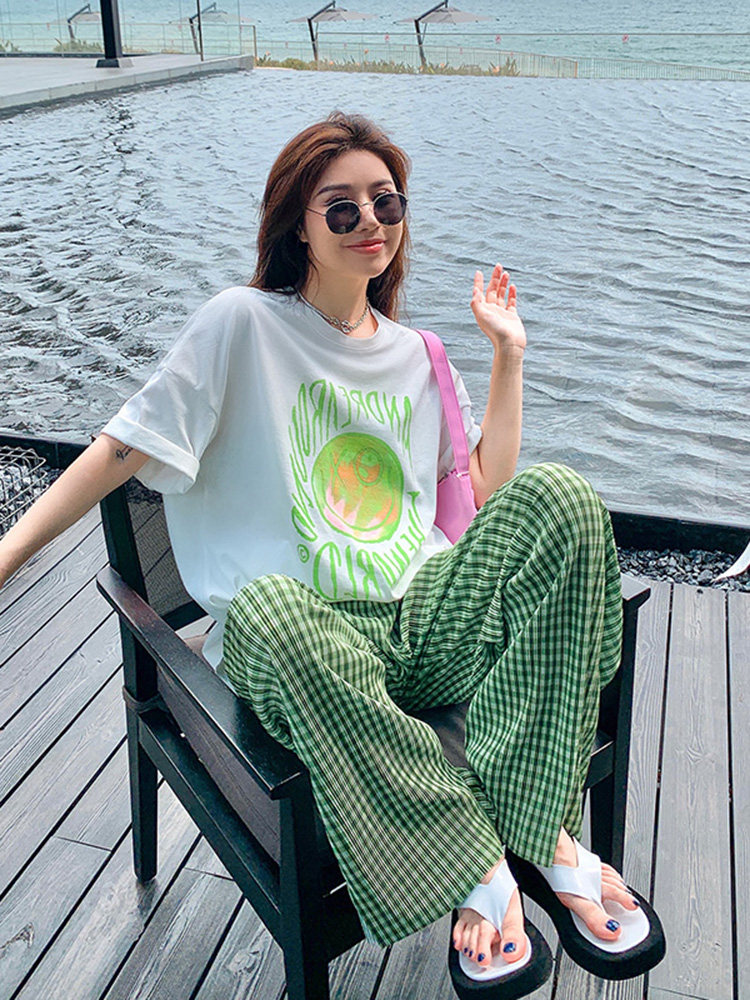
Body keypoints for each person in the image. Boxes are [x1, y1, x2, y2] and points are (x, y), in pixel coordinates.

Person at [0, 111, 663, 997]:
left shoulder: (419, 354)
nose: (370, 223)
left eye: (386, 203)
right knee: (269, 607)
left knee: (563, 496)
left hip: (423, 622)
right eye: (341, 207)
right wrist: (8, 554)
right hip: (306, 643)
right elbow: (122, 449)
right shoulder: (242, 324)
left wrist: (507, 356)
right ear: (299, 226)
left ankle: (537, 827)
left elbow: (485, 493)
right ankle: (476, 859)